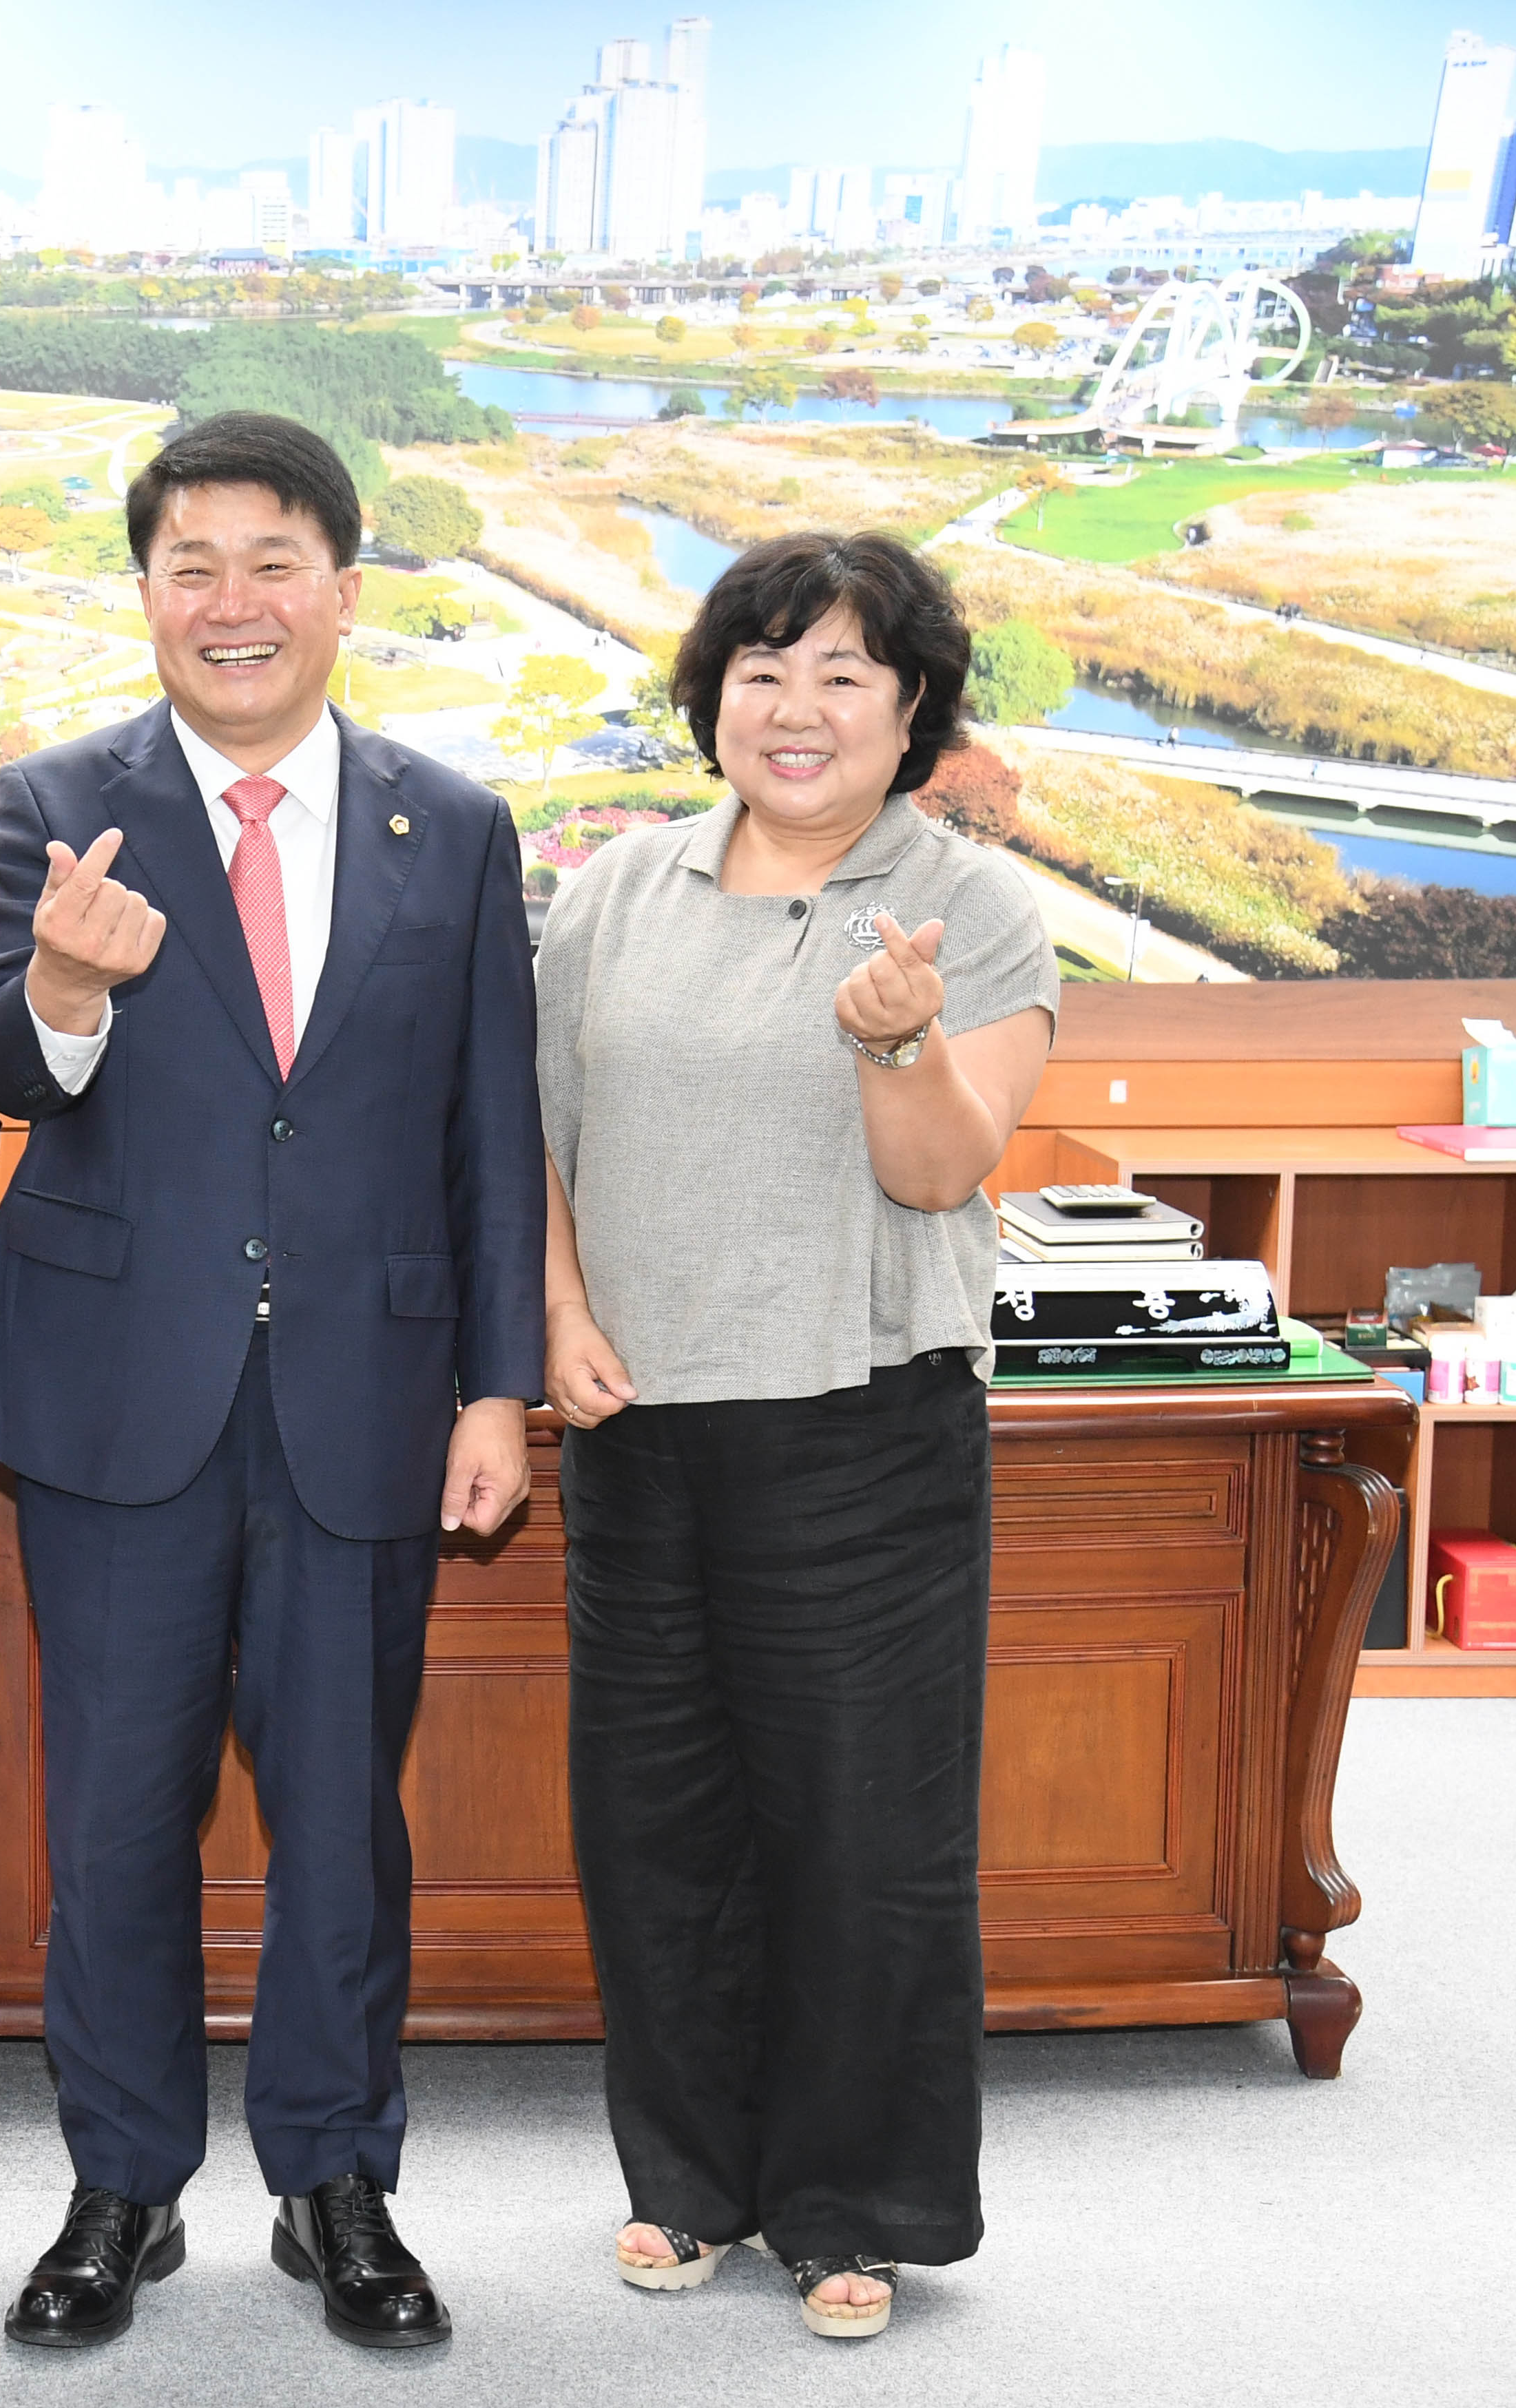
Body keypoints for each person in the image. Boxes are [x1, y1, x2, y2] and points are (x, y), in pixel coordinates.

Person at [0, 412, 547, 2352]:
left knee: (344, 1826)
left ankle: (334, 2179)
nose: (233, 600)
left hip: (368, 1394)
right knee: (115, 1816)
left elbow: (489, 1129)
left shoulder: (450, 824)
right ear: (146, 595)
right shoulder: (59, 798)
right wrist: (68, 990)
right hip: (123, 1398)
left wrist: (498, 1386)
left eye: (272, 559)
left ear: (344, 590)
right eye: (190, 562)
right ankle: (121, 2184)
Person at [534, 530, 1057, 2342]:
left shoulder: (966, 906)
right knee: (657, 1827)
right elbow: (538, 1140)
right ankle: (688, 2180)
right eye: (765, 666)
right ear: (713, 697)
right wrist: (561, 1316)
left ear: (914, 710)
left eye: (848, 671)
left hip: (860, 1432)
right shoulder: (617, 890)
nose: (799, 705)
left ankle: (854, 2200)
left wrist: (901, 1043)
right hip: (640, 1433)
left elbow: (939, 1165)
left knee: (864, 1836)